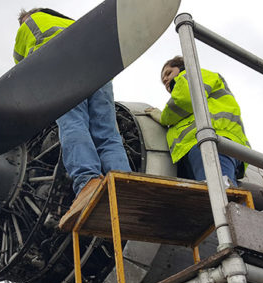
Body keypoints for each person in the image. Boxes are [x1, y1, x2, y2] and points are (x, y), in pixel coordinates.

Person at [14, 8, 131, 231]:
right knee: (107, 134)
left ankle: (88, 183)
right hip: (98, 70)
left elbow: (21, 74)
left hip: (59, 68)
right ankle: (125, 185)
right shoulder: (72, 23)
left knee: (73, 124)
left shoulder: (27, 26)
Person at [148, 56, 250, 186]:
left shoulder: (191, 75)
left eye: (168, 73)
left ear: (181, 68)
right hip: (203, 145)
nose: (165, 79)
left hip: (210, 142)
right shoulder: (181, 105)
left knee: (219, 193)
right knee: (215, 195)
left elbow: (186, 99)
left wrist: (163, 117)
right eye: (163, 80)